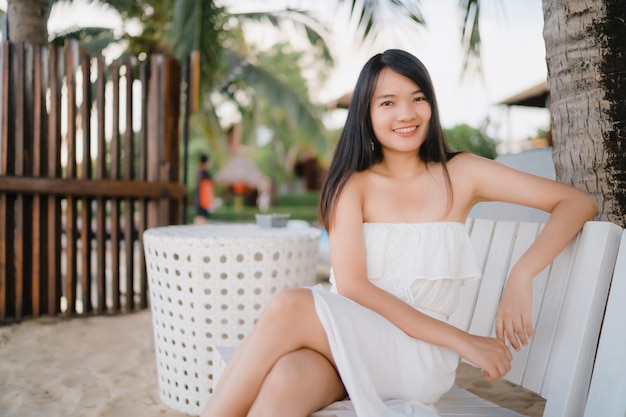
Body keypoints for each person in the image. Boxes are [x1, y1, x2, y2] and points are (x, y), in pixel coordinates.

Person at [200, 49, 598, 417]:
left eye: (417, 97)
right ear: (367, 114)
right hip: (352, 345)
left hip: (418, 357)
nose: (406, 113)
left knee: (290, 305)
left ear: (431, 104)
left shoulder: (462, 173)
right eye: (388, 102)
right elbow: (354, 289)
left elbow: (577, 203)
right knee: (288, 376)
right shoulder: (351, 185)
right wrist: (465, 340)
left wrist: (522, 272)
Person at [194, 154, 215, 225]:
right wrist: (211, 200)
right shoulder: (205, 173)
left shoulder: (199, 171)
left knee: (200, 216)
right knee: (202, 218)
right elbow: (208, 188)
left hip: (199, 198)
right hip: (204, 200)